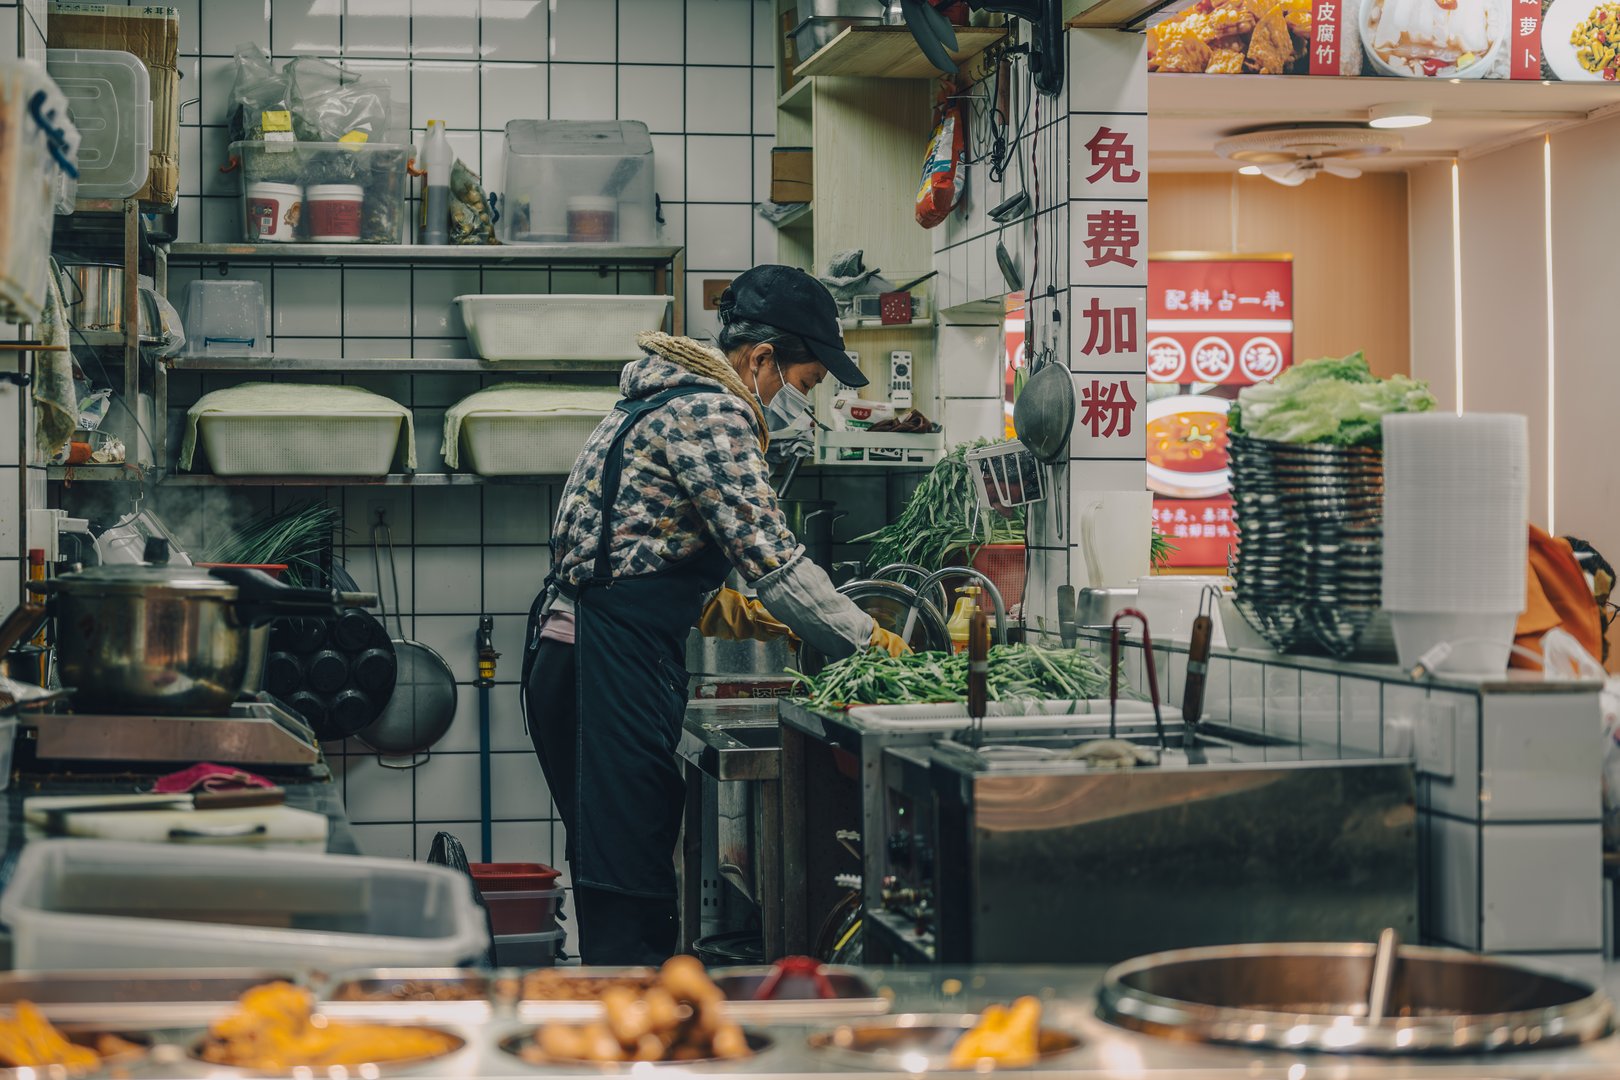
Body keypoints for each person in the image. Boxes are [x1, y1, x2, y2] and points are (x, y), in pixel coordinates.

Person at [521, 265, 909, 965]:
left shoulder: (657, 400)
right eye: (808, 380)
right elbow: (777, 560)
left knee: (619, 866)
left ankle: (629, 1028)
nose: (803, 400)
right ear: (762, 360)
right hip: (607, 663)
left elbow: (637, 542)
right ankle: (633, 1044)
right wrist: (869, 640)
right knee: (630, 882)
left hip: (579, 656)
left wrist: (720, 602)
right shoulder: (711, 408)